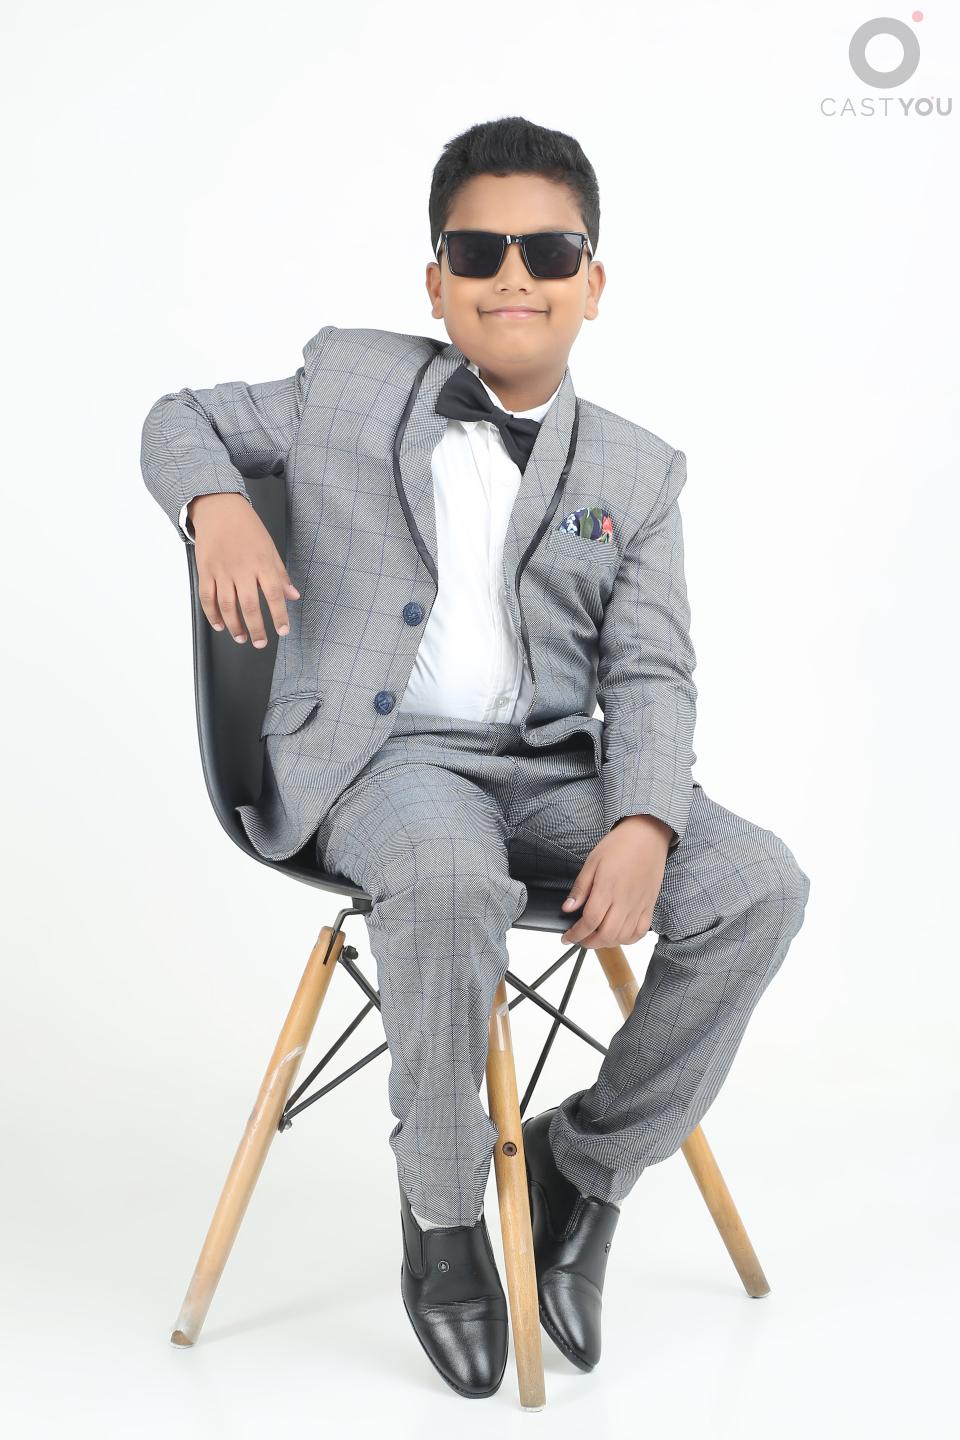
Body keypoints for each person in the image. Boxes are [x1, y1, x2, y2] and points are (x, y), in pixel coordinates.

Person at [140, 115, 810, 1400]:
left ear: (592, 283)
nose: (514, 274)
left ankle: (584, 1167)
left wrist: (646, 819)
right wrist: (216, 504)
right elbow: (178, 420)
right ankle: (445, 1216)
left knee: (758, 887)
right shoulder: (347, 380)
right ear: (435, 279)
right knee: (448, 876)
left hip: (555, 769)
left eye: (548, 250)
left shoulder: (639, 471)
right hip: (383, 761)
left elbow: (651, 671)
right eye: (479, 249)